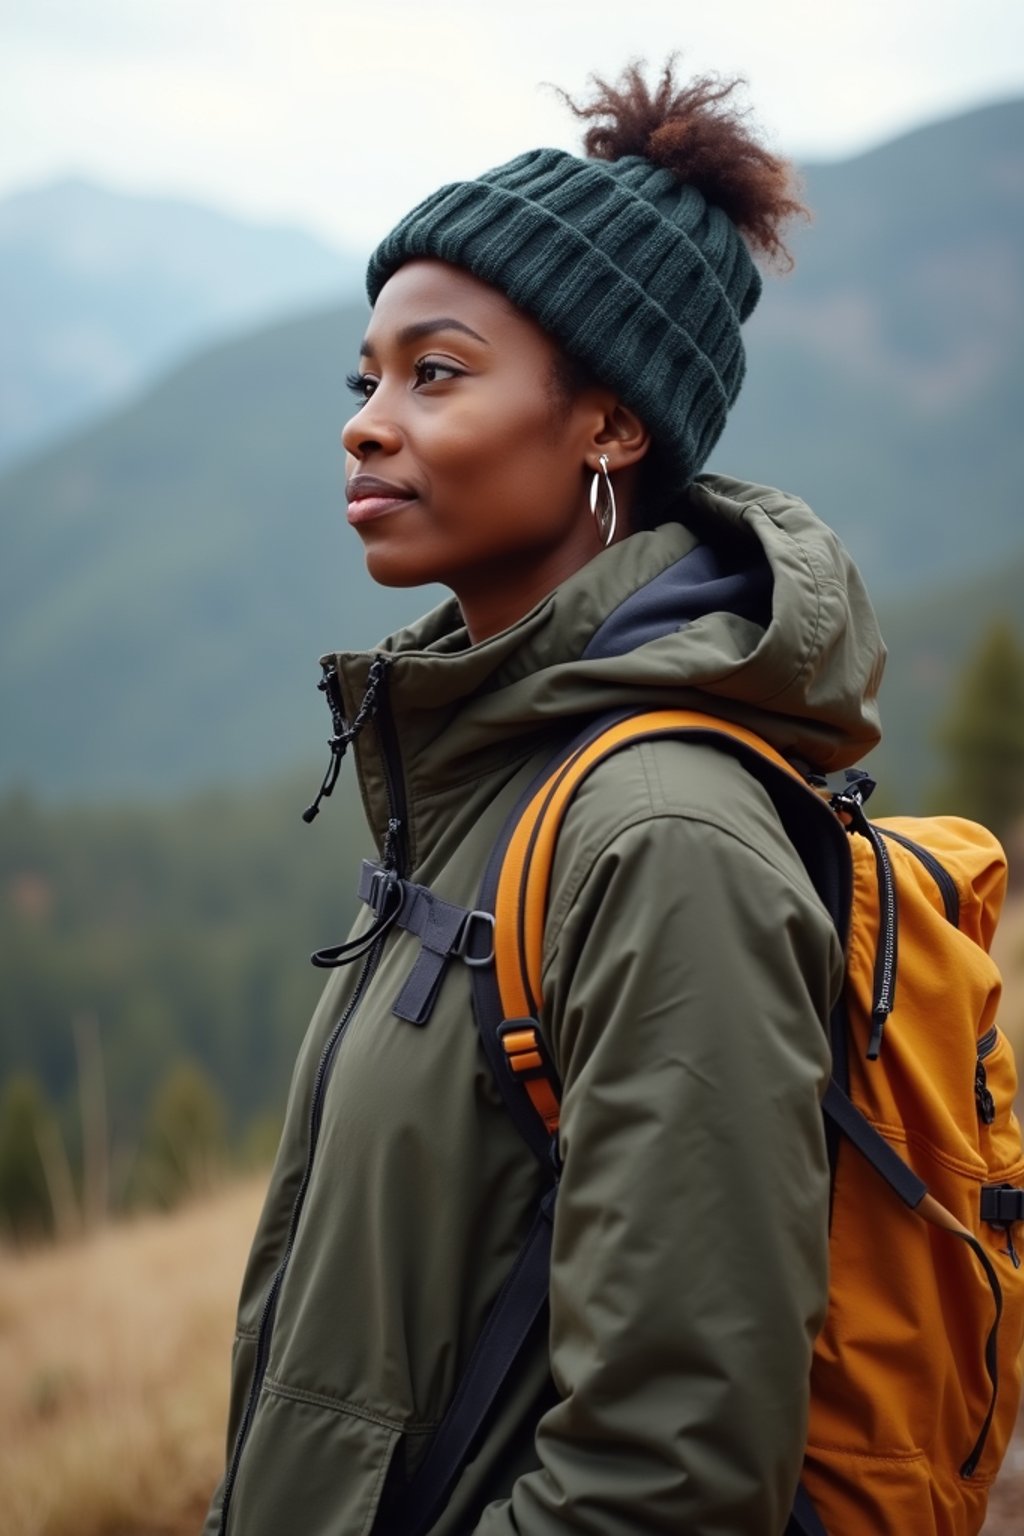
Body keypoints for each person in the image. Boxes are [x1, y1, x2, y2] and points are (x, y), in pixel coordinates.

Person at [204, 61, 885, 1536]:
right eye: (366, 378)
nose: (367, 423)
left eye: (434, 374)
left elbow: (672, 1482)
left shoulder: (660, 842)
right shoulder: (486, 777)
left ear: (610, 428)